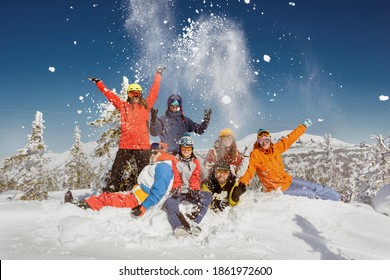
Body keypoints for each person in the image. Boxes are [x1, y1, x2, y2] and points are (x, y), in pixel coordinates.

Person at [230, 119, 348, 205]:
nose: (264, 143)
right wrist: (241, 185)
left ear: (270, 140)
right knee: (310, 193)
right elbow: (249, 172)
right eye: (262, 141)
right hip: (277, 188)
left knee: (315, 186)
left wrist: (303, 126)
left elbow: (291, 138)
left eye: (267, 140)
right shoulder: (256, 155)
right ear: (258, 142)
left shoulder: (276, 148)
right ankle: (329, 206)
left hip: (287, 179)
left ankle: (338, 198)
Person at [88, 66, 166, 192]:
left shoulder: (146, 106)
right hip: (126, 145)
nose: (134, 95)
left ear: (140, 94)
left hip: (142, 146)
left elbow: (154, 91)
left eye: (137, 93)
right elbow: (110, 96)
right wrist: (99, 83)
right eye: (132, 93)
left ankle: (145, 191)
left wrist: (158, 74)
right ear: (128, 95)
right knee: (117, 170)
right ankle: (111, 190)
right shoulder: (123, 106)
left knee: (144, 171)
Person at [64, 142, 182, 217]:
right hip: (136, 196)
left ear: (162, 153)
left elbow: (159, 191)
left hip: (139, 201)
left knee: (107, 199)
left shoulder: (164, 167)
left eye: (155, 153)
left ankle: (81, 206)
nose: (152, 155)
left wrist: (144, 207)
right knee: (109, 195)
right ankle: (86, 203)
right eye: (151, 153)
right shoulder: (160, 165)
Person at [163, 134, 212, 236]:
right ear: (180, 148)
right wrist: (176, 187)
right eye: (184, 148)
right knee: (169, 203)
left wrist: (194, 188)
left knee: (207, 196)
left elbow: (195, 176)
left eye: (188, 148)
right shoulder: (175, 161)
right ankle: (178, 226)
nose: (186, 150)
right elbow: (175, 176)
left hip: (190, 192)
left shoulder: (195, 162)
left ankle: (193, 223)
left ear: (192, 149)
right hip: (179, 191)